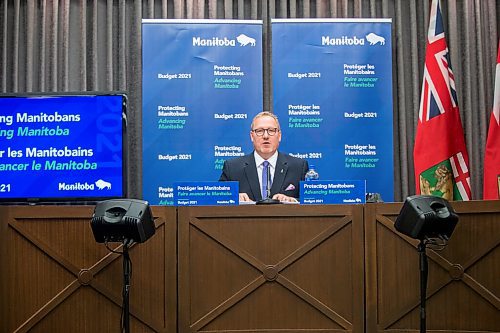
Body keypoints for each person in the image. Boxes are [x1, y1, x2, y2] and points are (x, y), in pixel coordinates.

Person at [219, 111, 309, 203]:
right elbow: (218, 200)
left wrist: (292, 200)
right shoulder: (232, 168)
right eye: (259, 131)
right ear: (252, 136)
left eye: (271, 131)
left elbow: (311, 201)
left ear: (279, 135)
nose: (265, 136)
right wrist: (233, 197)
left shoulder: (298, 167)